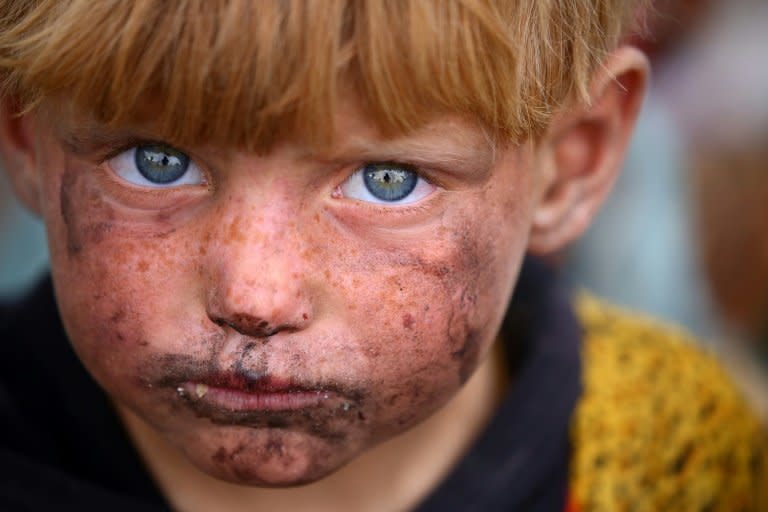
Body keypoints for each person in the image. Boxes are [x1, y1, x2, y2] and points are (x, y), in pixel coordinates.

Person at [0, 1, 763, 511]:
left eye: (386, 181)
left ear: (569, 161)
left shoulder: (689, 464)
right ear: (27, 133)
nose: (255, 297)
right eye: (155, 161)